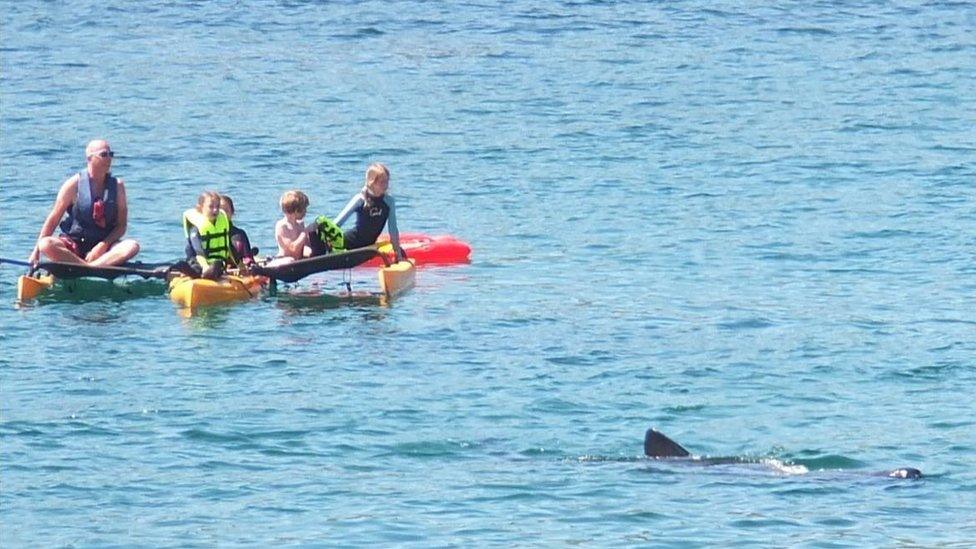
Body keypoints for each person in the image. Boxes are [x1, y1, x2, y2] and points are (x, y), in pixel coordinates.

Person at [28, 139, 140, 267]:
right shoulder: (73, 185)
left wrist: (103, 245)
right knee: (46, 244)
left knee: (132, 246)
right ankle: (84, 266)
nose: (109, 159)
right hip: (74, 245)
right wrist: (36, 252)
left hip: (104, 247)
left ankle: (93, 267)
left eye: (111, 154)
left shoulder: (118, 186)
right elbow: (53, 219)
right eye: (103, 155)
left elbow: (121, 226)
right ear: (89, 158)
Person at [309, 163, 405, 260]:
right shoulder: (360, 199)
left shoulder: (389, 201)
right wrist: (329, 241)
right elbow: (338, 222)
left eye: (387, 181)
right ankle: (310, 248)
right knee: (320, 223)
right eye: (382, 182)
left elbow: (393, 229)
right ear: (372, 182)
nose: (386, 185)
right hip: (347, 244)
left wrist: (398, 253)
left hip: (367, 245)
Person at [180, 191, 231, 279]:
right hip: (199, 263)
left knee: (218, 264)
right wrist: (205, 267)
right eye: (211, 207)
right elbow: (198, 251)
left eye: (217, 206)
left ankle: (210, 272)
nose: (215, 210)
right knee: (197, 268)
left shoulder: (222, 221)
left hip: (218, 263)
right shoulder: (196, 228)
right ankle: (185, 269)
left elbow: (228, 246)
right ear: (200, 208)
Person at [219, 194, 257, 268]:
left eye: (226, 211)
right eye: (220, 211)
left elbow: (247, 258)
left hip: (237, 271)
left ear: (232, 213)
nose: (223, 214)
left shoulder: (239, 234)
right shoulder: (208, 234)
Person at [274, 190, 311, 262]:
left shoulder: (300, 224)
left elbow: (305, 245)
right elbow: (292, 249)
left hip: (298, 262)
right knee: (290, 260)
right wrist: (305, 232)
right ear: (297, 210)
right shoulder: (282, 226)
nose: (306, 211)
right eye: (304, 209)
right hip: (284, 260)